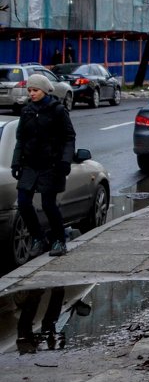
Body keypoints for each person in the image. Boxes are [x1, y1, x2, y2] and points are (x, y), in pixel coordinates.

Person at [11, 74, 76, 258]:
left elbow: (69, 137)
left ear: (45, 90)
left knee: (48, 204)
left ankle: (59, 241)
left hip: (51, 165)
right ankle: (38, 238)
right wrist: (16, 162)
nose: (31, 94)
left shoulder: (58, 110)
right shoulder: (27, 111)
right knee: (23, 203)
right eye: (29, 90)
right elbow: (20, 139)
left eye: (35, 90)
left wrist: (65, 161)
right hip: (30, 165)